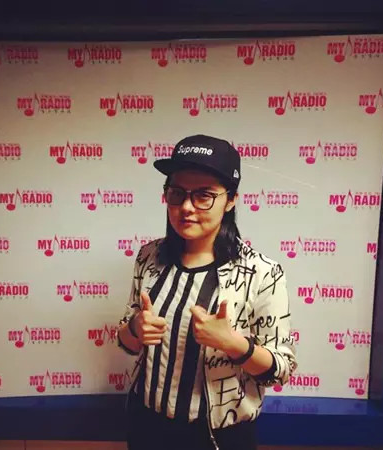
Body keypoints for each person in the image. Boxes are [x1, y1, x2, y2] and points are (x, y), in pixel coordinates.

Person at [117, 135, 298, 450]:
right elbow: (127, 343)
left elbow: (280, 370)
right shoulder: (149, 256)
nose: (186, 207)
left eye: (204, 195)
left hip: (219, 437)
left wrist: (233, 344)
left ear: (231, 200)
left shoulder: (262, 273)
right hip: (148, 426)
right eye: (177, 193)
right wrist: (135, 328)